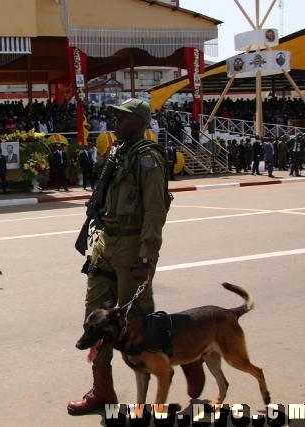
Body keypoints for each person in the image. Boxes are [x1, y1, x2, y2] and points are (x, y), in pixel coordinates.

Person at [67, 99, 204, 415]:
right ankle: (103, 391)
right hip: (106, 242)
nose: (116, 122)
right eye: (116, 116)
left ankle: (187, 356)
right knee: (96, 319)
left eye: (124, 118)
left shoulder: (148, 159)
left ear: (141, 123)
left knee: (137, 320)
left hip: (132, 244)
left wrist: (147, 256)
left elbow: (155, 211)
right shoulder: (118, 153)